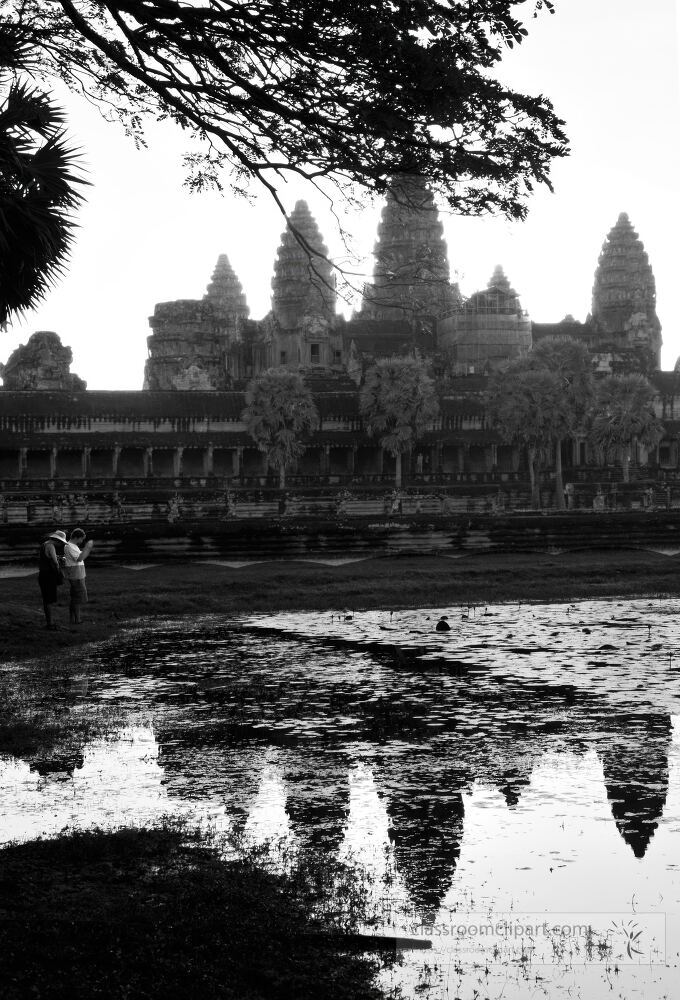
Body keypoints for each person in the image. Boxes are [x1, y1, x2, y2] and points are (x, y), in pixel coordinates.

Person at [63, 528, 94, 625]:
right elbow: (79, 558)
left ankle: (73, 619)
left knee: (75, 597)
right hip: (76, 575)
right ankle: (77, 620)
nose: (82, 541)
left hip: (77, 573)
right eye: (81, 539)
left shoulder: (73, 546)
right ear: (77, 537)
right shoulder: (70, 546)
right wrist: (87, 548)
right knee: (78, 597)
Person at [38, 529, 67, 629]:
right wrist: (59, 572)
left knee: (47, 599)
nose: (61, 544)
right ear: (58, 540)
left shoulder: (44, 544)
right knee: (49, 600)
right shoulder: (51, 546)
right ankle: (50, 623)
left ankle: (49, 622)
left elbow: (48, 557)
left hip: (43, 574)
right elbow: (55, 562)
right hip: (48, 575)